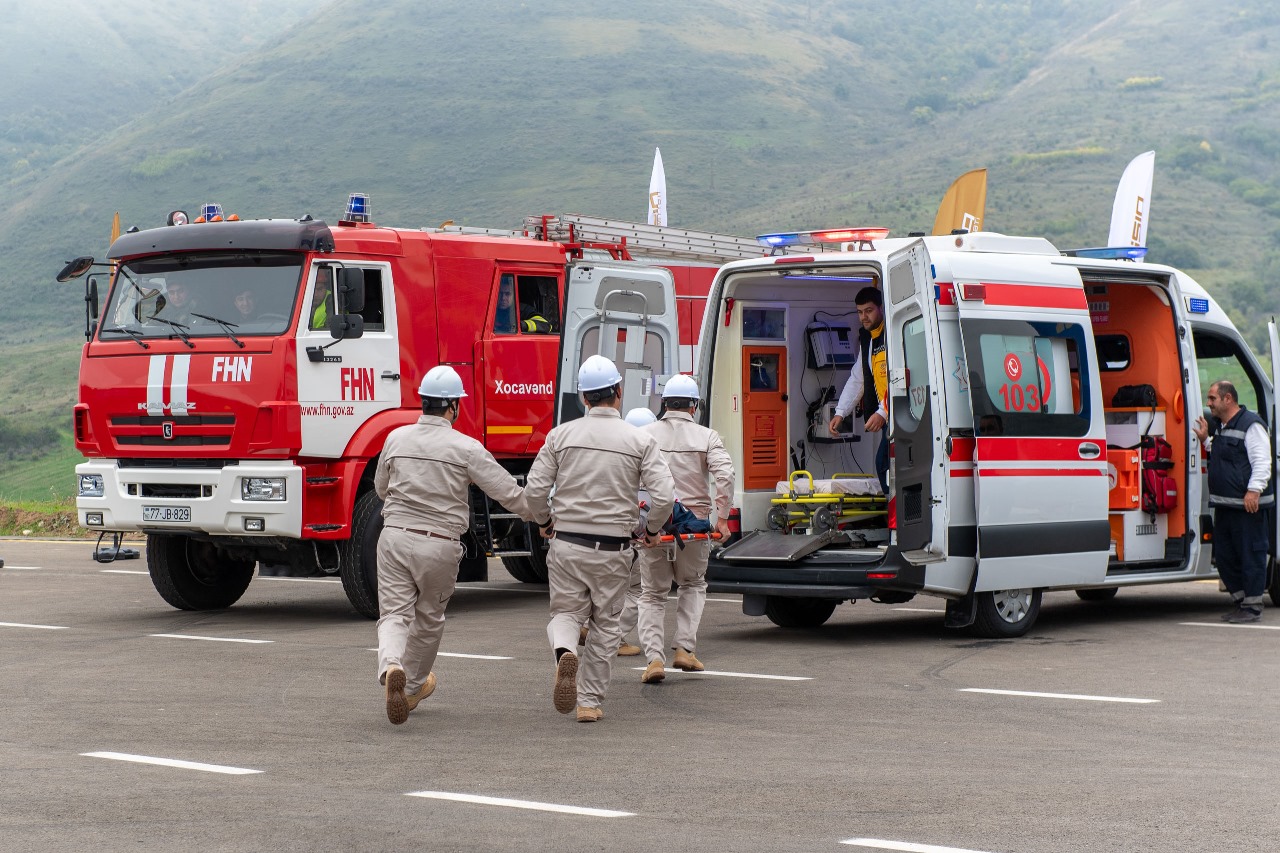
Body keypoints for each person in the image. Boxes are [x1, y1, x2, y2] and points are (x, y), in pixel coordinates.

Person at [374, 365, 532, 724]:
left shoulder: (395, 438)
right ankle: (412, 686)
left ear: (423, 402)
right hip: (439, 544)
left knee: (394, 614)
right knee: (429, 617)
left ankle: (391, 665)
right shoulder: (466, 448)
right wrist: (541, 516)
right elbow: (507, 493)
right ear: (453, 406)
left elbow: (382, 488)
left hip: (394, 535)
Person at [524, 355, 674, 723]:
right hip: (613, 547)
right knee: (606, 624)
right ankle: (589, 701)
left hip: (567, 542)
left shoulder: (560, 436)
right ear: (618, 392)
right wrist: (651, 530)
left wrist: (545, 521)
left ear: (583, 397)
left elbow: (534, 492)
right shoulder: (639, 439)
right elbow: (665, 496)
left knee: (565, 614)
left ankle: (564, 652)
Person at [636, 375, 735, 683]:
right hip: (694, 526)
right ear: (694, 406)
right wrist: (722, 518)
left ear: (664, 403)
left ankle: (654, 659)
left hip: (654, 524)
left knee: (652, 594)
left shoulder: (643, 435)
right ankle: (684, 649)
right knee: (692, 585)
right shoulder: (707, 436)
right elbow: (725, 475)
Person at [1194, 380, 1273, 623]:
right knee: (1225, 557)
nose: (1209, 403)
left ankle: (1252, 607)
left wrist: (1254, 491)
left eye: (1212, 398)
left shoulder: (1251, 425)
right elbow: (1225, 455)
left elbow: (1262, 461)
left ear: (1228, 399)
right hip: (1225, 505)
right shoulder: (1222, 426)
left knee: (1250, 556)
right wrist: (1206, 440)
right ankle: (1241, 602)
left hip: (1247, 507)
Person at [828, 287, 889, 491]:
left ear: (881, 308)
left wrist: (883, 412)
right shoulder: (868, 338)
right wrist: (840, 412)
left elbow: (901, 378)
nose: (864, 317)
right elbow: (859, 378)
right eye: (860, 312)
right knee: (885, 465)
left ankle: (894, 509)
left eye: (869, 311)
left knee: (884, 464)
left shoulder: (892, 334)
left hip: (903, 414)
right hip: (889, 416)